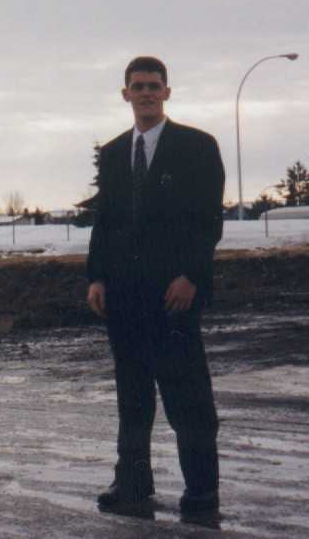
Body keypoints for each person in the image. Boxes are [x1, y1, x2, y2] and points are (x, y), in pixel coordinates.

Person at [86, 56, 225, 521]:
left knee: (188, 401)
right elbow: (103, 223)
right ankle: (133, 483)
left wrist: (191, 276)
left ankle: (202, 491)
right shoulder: (111, 154)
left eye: (154, 85)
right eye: (137, 86)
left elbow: (208, 224)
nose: (146, 93)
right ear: (124, 94)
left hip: (173, 297)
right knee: (134, 398)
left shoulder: (197, 147)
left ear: (167, 92)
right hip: (124, 300)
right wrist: (96, 277)